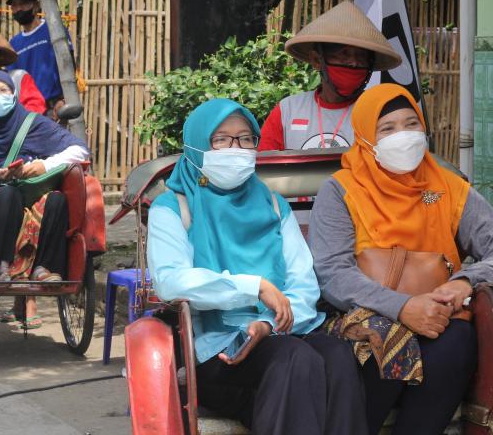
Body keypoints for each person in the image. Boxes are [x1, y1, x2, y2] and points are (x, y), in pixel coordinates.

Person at [308, 83, 493, 434]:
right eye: (387, 128)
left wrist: (464, 282)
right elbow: (332, 274)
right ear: (365, 138)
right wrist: (403, 307)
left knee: (457, 342)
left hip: (437, 315)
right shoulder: (341, 191)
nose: (403, 135)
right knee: (389, 341)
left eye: (411, 124)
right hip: (365, 315)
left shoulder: (443, 188)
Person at [147, 98, 367, 435]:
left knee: (337, 356)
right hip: (217, 350)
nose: (236, 149)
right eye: (221, 139)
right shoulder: (173, 207)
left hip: (282, 330)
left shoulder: (273, 205)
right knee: (295, 358)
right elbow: (170, 280)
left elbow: (303, 285)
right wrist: (253, 287)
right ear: (196, 146)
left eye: (246, 139)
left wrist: (267, 323)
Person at [0, 70, 89, 328]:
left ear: (14, 93)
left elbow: (80, 150)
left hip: (33, 190)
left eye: (3, 91)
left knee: (57, 200)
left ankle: (45, 269)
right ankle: (3, 266)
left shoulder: (34, 123)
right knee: (9, 195)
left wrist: (43, 165)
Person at [258, 0, 401, 152]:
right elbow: (266, 163)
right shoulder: (288, 111)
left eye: (361, 56)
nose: (353, 63)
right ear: (316, 60)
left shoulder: (380, 113)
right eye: (343, 54)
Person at [7, 0, 73, 119]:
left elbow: (69, 66)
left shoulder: (54, 31)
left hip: (55, 109)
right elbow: (13, 81)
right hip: (27, 114)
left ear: (36, 5)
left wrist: (64, 99)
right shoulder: (14, 44)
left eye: (23, 4)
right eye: (14, 5)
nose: (19, 9)